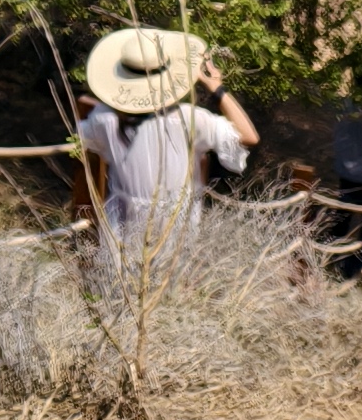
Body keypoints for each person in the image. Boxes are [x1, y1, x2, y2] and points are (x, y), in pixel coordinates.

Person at [76, 26, 256, 270]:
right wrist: (216, 87)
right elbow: (248, 136)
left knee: (121, 285)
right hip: (175, 228)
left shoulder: (105, 120)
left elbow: (81, 137)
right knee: (169, 287)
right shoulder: (189, 119)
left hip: (124, 227)